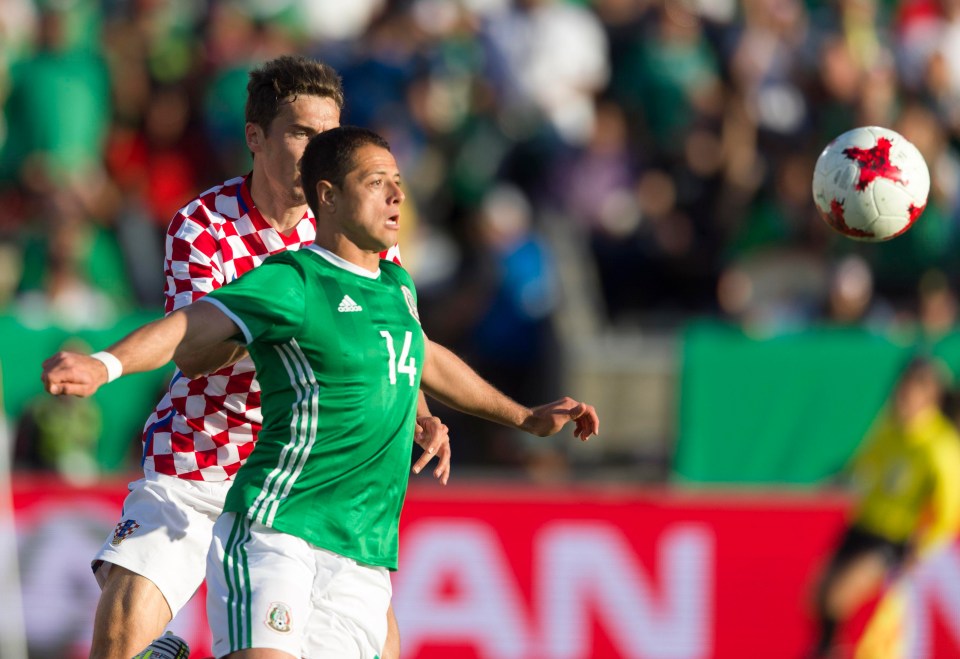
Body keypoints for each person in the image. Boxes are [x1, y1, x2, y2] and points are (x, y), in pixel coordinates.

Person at [42, 125, 600, 658]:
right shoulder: (294, 279)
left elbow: (422, 356)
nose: (396, 197)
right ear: (327, 196)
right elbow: (192, 327)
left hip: (361, 542)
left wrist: (523, 417)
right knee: (126, 623)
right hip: (272, 517)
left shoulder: (395, 284)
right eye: (377, 183)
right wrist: (105, 364)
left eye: (398, 185)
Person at [80, 55, 448, 659]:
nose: (317, 148)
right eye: (301, 132)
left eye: (327, 134)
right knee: (118, 642)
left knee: (380, 647)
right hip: (203, 459)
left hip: (304, 477)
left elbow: (396, 337)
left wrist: (423, 410)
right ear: (257, 137)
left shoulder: (356, 226)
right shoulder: (203, 225)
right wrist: (289, 324)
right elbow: (196, 356)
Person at [811, 356, 960, 658]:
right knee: (818, 595)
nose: (902, 397)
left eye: (911, 391)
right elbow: (865, 464)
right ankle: (829, 648)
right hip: (863, 525)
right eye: (901, 389)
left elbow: (950, 509)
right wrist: (842, 477)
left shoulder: (940, 447)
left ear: (930, 397)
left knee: (841, 597)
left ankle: (832, 651)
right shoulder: (889, 430)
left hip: (894, 537)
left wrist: (924, 545)